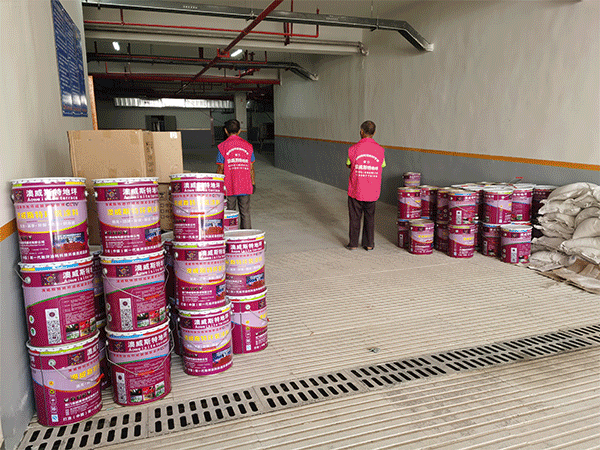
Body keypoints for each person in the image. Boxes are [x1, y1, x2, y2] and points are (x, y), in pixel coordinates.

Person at [346, 120, 386, 251]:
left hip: (356, 189)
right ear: (374, 133)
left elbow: (349, 164)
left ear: (361, 132)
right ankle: (368, 244)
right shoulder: (380, 150)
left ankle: (353, 244)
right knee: (370, 218)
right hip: (372, 190)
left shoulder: (353, 149)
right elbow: (382, 165)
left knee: (354, 217)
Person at [216, 119, 256, 229]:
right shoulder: (248, 146)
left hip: (229, 185)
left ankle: (230, 234)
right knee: (245, 212)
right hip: (245, 184)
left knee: (229, 213)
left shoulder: (222, 146)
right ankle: (246, 235)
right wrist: (253, 183)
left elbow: (220, 168)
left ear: (225, 131)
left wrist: (218, 185)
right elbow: (251, 167)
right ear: (239, 131)